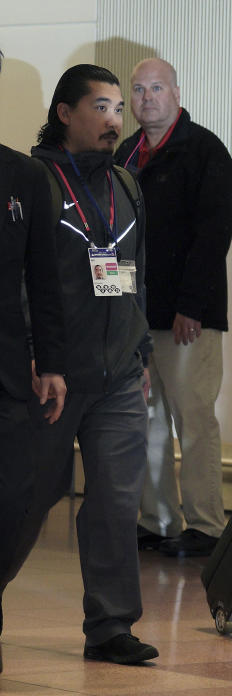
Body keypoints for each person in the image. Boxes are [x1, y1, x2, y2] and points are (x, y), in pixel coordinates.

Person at [4, 64, 158, 665]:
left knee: (118, 503)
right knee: (27, 501)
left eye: (119, 108)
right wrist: (36, 355)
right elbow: (21, 281)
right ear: (65, 113)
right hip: (52, 375)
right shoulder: (33, 180)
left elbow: (134, 277)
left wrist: (141, 349)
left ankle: (111, 626)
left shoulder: (127, 184)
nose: (115, 119)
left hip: (118, 373)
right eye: (100, 107)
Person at [117, 58, 232, 558]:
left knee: (193, 419)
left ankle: (206, 526)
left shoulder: (204, 150)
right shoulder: (124, 155)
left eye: (157, 88)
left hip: (189, 317)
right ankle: (158, 520)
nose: (147, 98)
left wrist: (192, 304)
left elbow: (213, 236)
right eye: (138, 90)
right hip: (136, 315)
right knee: (146, 421)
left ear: (177, 93)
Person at [0, 48, 68, 673]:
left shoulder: (22, 177)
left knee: (16, 501)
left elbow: (44, 279)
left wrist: (51, 361)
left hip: (8, 372)